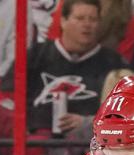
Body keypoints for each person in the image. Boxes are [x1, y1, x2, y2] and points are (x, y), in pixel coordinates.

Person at [25, 0, 127, 136]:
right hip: (38, 142)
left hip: (91, 145)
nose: (87, 25)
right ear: (63, 21)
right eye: (80, 18)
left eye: (93, 19)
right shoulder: (36, 55)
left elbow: (126, 115)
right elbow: (6, 100)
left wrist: (89, 123)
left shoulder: (114, 63)